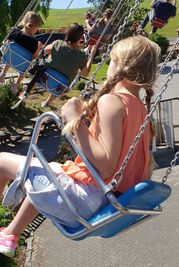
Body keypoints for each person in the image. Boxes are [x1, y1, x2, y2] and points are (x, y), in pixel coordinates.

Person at [0, 35, 160, 258]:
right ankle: (9, 234)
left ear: (119, 65)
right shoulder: (142, 111)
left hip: (83, 200)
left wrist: (74, 120)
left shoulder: (112, 101)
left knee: (1, 162)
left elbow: (105, 166)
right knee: (54, 169)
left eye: (111, 60)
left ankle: (4, 224)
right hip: (106, 202)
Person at [19, 23, 97, 108]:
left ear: (68, 33)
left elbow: (46, 50)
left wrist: (55, 51)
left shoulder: (58, 43)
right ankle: (47, 102)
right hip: (60, 86)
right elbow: (85, 73)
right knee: (59, 85)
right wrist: (91, 56)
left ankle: (27, 92)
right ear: (80, 37)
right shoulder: (81, 55)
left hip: (44, 77)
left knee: (39, 73)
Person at [0, 11, 43, 94]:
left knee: (11, 52)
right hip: (21, 66)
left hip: (9, 59)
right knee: (27, 64)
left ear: (24, 21)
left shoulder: (15, 32)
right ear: (35, 27)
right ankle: (17, 84)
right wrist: (38, 48)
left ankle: (3, 73)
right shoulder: (34, 42)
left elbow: (7, 42)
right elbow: (34, 57)